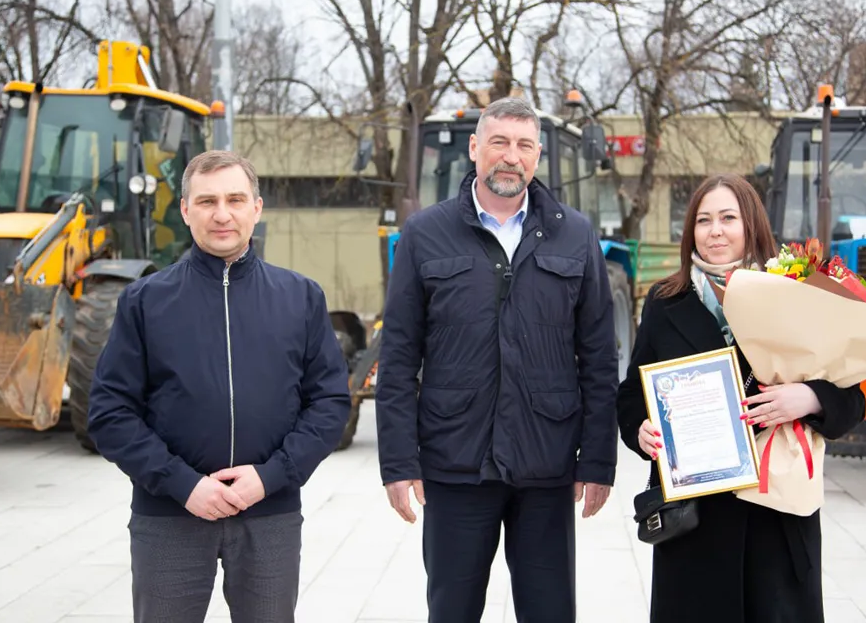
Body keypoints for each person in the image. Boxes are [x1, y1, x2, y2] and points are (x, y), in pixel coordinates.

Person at [375, 96, 620, 623]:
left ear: (537, 157)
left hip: (547, 467)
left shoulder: (575, 235)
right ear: (475, 148)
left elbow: (600, 358)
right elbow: (397, 358)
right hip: (455, 464)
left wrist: (598, 460)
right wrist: (397, 462)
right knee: (452, 611)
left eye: (524, 145)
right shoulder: (424, 234)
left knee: (551, 612)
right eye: (499, 142)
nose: (511, 156)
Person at [87, 150, 351, 623]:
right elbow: (110, 414)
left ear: (257, 207)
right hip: (170, 515)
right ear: (186, 210)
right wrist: (183, 484)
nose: (223, 214)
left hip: (270, 514)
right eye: (207, 201)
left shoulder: (301, 298)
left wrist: (270, 477)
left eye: (235, 199)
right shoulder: (145, 302)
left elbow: (329, 402)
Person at [616, 173, 866, 623]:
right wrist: (641, 430)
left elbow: (854, 398)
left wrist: (809, 398)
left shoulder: (796, 291)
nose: (715, 230)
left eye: (728, 218)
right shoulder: (665, 299)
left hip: (776, 517)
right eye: (703, 220)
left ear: (750, 224)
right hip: (695, 519)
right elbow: (633, 394)